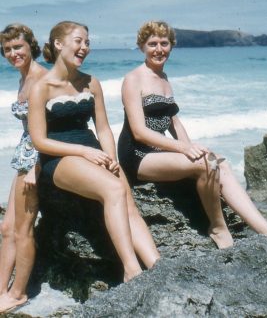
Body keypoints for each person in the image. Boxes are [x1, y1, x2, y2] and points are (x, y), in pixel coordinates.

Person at [118, 20, 267, 250]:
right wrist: (184, 150)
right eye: (152, 44)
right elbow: (139, 132)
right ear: (142, 47)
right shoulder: (133, 79)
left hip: (160, 151)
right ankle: (218, 228)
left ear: (172, 46)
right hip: (137, 155)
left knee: (218, 163)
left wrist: (191, 147)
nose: (159, 49)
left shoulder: (164, 78)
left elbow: (173, 121)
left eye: (164, 43)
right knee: (205, 165)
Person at [28, 21, 159, 286]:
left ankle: (158, 266)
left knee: (126, 198)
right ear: (58, 43)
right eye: (78, 41)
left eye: (87, 42)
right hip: (60, 157)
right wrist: (84, 152)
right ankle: (131, 269)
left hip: (95, 152)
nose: (84, 47)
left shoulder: (91, 82)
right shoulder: (41, 87)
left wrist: (111, 158)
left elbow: (103, 128)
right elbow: (39, 141)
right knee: (112, 190)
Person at [0, 24, 47, 313]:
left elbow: (51, 130)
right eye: (7, 50)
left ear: (31, 45)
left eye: (18, 47)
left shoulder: (42, 78)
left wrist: (36, 168)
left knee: (23, 229)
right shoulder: (23, 78)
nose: (13, 53)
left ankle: (18, 293)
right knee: (7, 228)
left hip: (36, 162)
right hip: (23, 157)